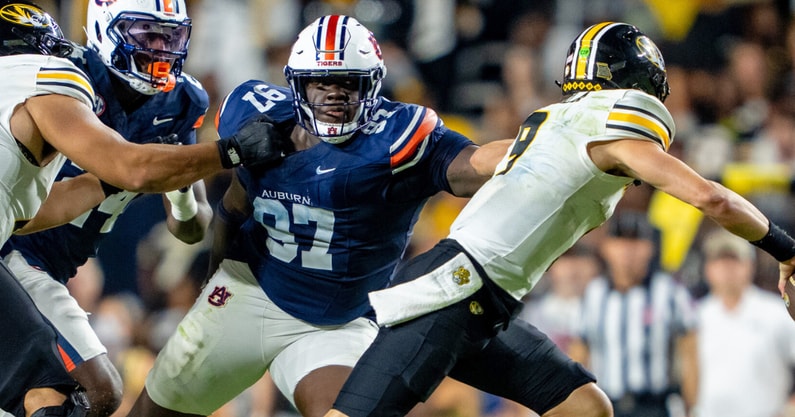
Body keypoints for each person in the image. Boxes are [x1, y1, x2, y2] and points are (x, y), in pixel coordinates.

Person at [324, 21, 795, 417]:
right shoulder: (614, 134)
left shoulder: (557, 123)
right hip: (454, 292)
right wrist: (785, 249)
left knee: (585, 407)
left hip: (486, 303)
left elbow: (493, 164)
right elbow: (712, 199)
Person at [126, 14, 511, 417]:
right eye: (320, 83)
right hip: (251, 291)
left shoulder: (398, 136)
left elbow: (475, 163)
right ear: (297, 85)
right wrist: (214, 282)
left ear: (372, 85)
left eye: (348, 84)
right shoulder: (255, 115)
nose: (333, 96)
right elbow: (233, 209)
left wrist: (542, 141)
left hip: (337, 324)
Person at [0, 2, 283, 417]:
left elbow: (191, 226)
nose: (159, 49)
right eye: (146, 34)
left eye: (170, 36)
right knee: (80, 390)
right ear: (104, 29)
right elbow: (127, 169)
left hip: (54, 261)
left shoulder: (180, 100)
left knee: (90, 394)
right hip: (17, 253)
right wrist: (227, 152)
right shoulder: (64, 75)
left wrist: (178, 183)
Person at [568, 211, 697, 417]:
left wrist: (690, 407)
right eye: (620, 241)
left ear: (650, 248)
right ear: (606, 248)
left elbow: (689, 354)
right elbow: (579, 353)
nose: (627, 250)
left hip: (654, 405)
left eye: (635, 242)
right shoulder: (594, 294)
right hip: (607, 404)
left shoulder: (670, 292)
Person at [692, 228, 795, 417]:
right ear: (707, 269)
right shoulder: (696, 316)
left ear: (750, 265)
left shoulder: (775, 313)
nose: (727, 268)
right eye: (719, 261)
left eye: (734, 260)